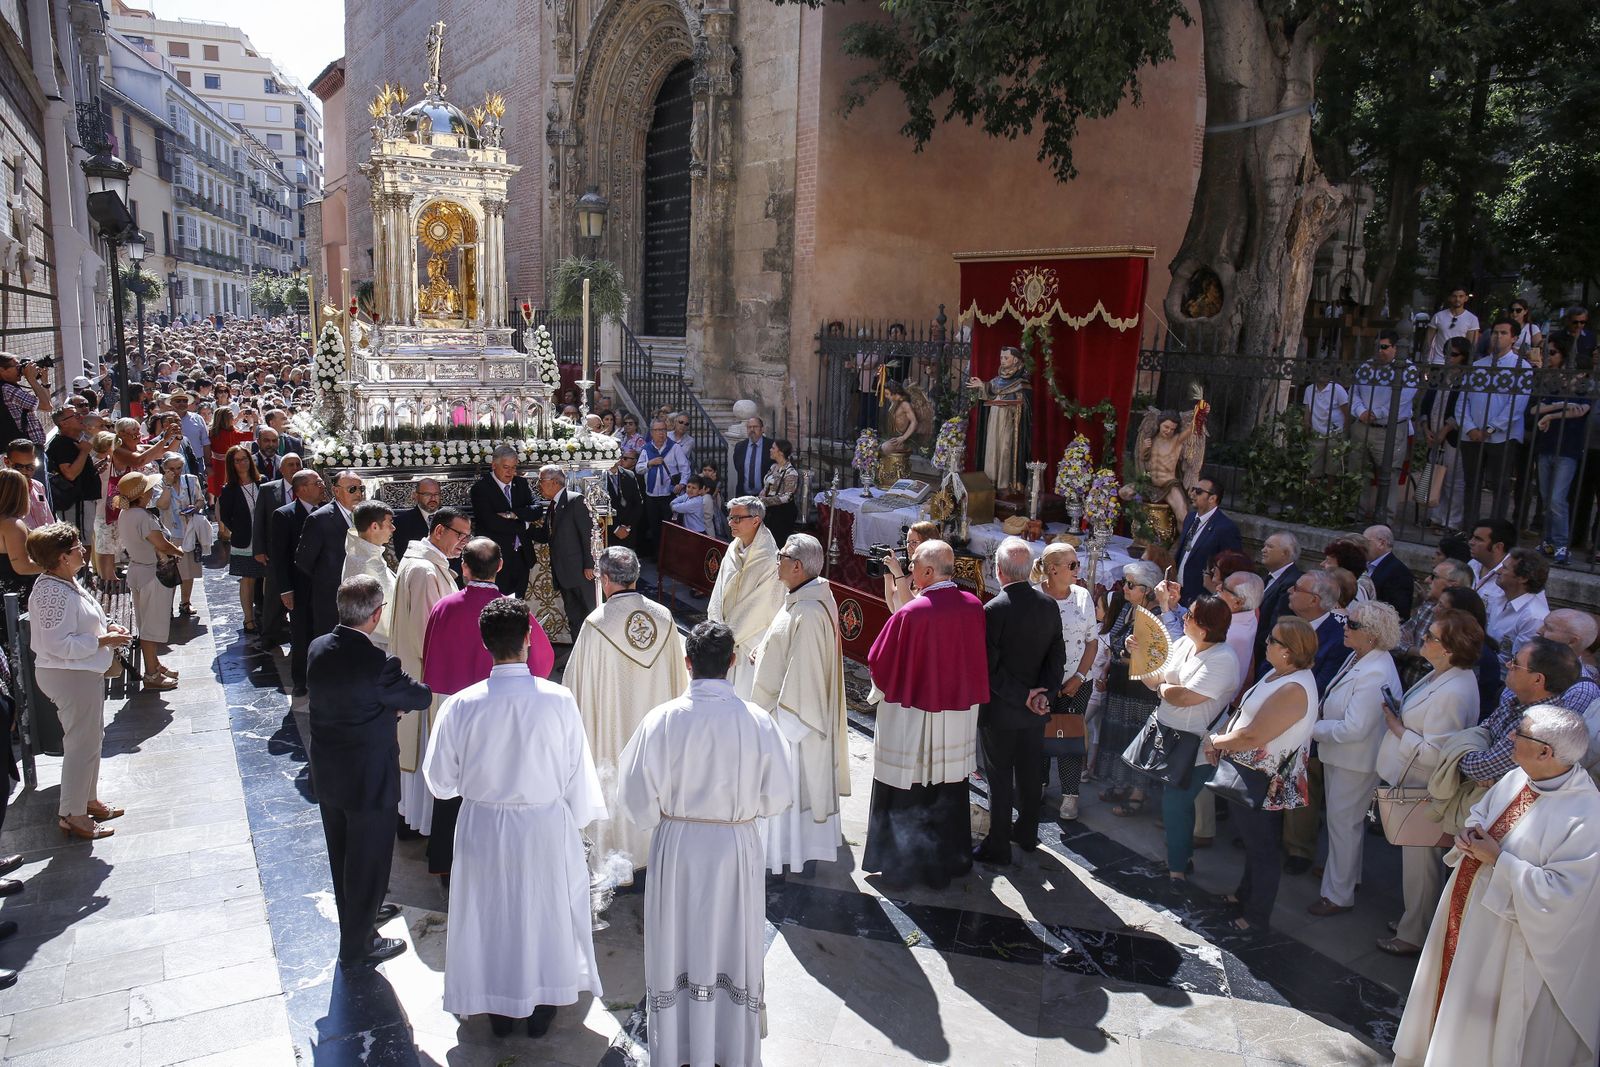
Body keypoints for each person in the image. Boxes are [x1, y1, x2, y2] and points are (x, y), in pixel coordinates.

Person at [422, 596, 604, 1038]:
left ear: (485, 644)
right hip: (543, 825)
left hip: (483, 826)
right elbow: (577, 772)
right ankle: (542, 1000)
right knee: (543, 911)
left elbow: (440, 783)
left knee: (491, 913)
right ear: (528, 639)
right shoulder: (558, 700)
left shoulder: (461, 705)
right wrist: (575, 816)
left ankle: (498, 1007)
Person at [617, 621, 794, 1067]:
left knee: (678, 940)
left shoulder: (661, 720)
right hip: (735, 847)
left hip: (678, 845)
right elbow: (778, 797)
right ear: (733, 662)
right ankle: (729, 1050)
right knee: (732, 941)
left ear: (687, 662)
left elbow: (635, 796)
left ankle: (678, 1047)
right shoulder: (758, 721)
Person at [1393, 704, 1599, 1067]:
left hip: (1509, 937)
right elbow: (1481, 814)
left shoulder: (1586, 816)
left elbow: (1565, 896)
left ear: (1545, 752)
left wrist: (1499, 860)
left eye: (1519, 733)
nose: (1509, 736)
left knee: (1482, 1025)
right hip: (1467, 910)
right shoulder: (1518, 776)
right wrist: (1468, 834)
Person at [306, 576, 431, 971]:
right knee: (369, 860)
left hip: (330, 772)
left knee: (343, 854)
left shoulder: (317, 647)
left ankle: (360, 915)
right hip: (369, 778)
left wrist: (381, 709)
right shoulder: (378, 663)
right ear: (376, 615)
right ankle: (359, 944)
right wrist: (389, 708)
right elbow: (420, 695)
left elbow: (344, 698)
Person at [420, 538, 555, 881]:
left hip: (457, 708)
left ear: (463, 567)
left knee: (454, 776)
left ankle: (448, 862)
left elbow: (431, 659)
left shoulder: (444, 607)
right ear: (501, 566)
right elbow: (542, 660)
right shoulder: (513, 611)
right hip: (507, 712)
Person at [862, 539, 988, 888]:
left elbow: (879, 663)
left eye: (913, 564)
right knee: (948, 786)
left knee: (911, 784)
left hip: (913, 716)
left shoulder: (912, 613)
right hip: (958, 717)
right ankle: (947, 863)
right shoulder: (974, 605)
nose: (909, 568)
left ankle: (902, 868)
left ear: (929, 571)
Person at [566, 545, 688, 884]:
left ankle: (615, 861)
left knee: (614, 780)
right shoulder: (664, 618)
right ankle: (656, 855)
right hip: (658, 738)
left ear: (605, 580)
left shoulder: (596, 624)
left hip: (611, 736)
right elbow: (681, 682)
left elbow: (574, 690)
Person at [1374, 608, 1484, 956]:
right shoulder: (1441, 674)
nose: (1423, 639)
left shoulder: (1455, 689)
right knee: (1416, 863)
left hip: (1424, 783)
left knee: (1421, 866)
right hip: (1413, 777)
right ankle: (1415, 919)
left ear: (1449, 648)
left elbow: (1439, 753)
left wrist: (1398, 730)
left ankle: (1414, 933)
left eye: (1430, 637)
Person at [1203, 616, 1319, 930]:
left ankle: (1256, 916)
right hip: (1248, 770)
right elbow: (1245, 713)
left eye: (1272, 640)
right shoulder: (1279, 674)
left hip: (1265, 779)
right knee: (1254, 842)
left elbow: (1255, 735)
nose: (1265, 643)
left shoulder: (1294, 688)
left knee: (1263, 847)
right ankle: (1243, 895)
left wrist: (1216, 740)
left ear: (1288, 651)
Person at [26, 523, 132, 840]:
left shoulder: (64, 581)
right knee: (80, 743)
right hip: (68, 676)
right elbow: (57, 644)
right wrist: (103, 642)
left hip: (80, 673)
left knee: (90, 738)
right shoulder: (50, 593)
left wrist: (108, 628)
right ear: (61, 557)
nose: (83, 549)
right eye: (75, 547)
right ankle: (73, 814)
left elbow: (87, 620)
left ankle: (87, 799)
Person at [751, 533, 848, 875]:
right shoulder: (801, 596)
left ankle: (785, 856)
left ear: (796, 566)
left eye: (780, 557)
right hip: (786, 717)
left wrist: (778, 725)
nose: (776, 561)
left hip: (794, 728)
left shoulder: (808, 612)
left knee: (788, 796)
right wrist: (763, 650)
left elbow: (803, 681)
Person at [1306, 600, 1403, 916]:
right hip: (1344, 756)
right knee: (1344, 823)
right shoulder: (1361, 656)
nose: (1345, 628)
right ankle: (1346, 875)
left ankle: (1338, 894)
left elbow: (1353, 728)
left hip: (1354, 759)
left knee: (1343, 823)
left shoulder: (1374, 671)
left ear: (1372, 635)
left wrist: (1311, 729)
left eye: (1353, 625)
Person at [973, 538, 1065, 866]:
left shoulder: (993, 610)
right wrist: (1043, 696)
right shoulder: (1048, 605)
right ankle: (1026, 833)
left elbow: (989, 668)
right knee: (1029, 773)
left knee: (999, 777)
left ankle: (998, 844)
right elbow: (1058, 660)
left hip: (1001, 711)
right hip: (1035, 710)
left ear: (998, 571)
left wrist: (1022, 696)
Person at [1132, 594, 1238, 881]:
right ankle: (1182, 858)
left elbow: (1186, 697)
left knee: (1175, 803)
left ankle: (1177, 869)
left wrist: (1164, 688)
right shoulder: (1183, 644)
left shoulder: (1224, 659)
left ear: (1203, 627)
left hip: (1198, 745)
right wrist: (1141, 657)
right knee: (1176, 802)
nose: (1183, 619)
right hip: (1170, 735)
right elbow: (1154, 678)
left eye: (1189, 616)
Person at [391, 507, 471, 838]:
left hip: (421, 671)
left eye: (467, 538)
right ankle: (422, 822)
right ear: (439, 531)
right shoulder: (425, 571)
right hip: (427, 674)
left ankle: (416, 818)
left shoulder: (426, 564)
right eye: (460, 535)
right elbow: (427, 633)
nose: (463, 544)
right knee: (427, 747)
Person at [1460, 639, 1595, 789]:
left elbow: (1475, 768)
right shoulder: (1515, 699)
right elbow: (1480, 731)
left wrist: (1458, 748)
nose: (1508, 665)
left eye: (1515, 663)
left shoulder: (1537, 728)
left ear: (1537, 679)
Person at [1093, 561, 1166, 815]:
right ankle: (1121, 783)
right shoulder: (1127, 609)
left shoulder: (1156, 617)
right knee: (1117, 737)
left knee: (1137, 739)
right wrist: (1107, 668)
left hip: (1141, 691)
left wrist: (1125, 657)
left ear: (1146, 590)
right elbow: (1114, 642)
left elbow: (1154, 657)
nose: (1125, 588)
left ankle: (1138, 793)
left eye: (1131, 585)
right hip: (1119, 684)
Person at [1035, 542, 1098, 820]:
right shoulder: (1035, 597)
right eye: (1071, 565)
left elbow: (1092, 642)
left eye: (1077, 564)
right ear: (1052, 569)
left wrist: (1079, 677)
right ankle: (1037, 784)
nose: (1077, 570)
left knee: (1069, 737)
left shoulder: (1083, 596)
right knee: (1038, 734)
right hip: (1042, 683)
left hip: (1078, 681)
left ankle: (1070, 795)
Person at [1457, 318, 1533, 532]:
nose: (1497, 337)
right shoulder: (1478, 366)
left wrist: (1490, 429)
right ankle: (1469, 528)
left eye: (1503, 333)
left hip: (1501, 437)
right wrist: (1470, 427)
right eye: (1495, 332)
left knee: (1500, 485)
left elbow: (1516, 406)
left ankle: (1496, 532)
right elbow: (1463, 400)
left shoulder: (1522, 368)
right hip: (1471, 436)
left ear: (1514, 338)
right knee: (1472, 484)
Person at [706, 495, 786, 699]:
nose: (730, 522)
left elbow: (762, 606)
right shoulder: (733, 548)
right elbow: (719, 591)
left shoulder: (769, 558)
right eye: (730, 517)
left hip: (749, 639)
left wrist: (729, 636)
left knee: (744, 698)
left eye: (737, 518)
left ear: (756, 520)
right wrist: (715, 627)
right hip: (723, 637)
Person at [114, 472, 184, 689]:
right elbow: (161, 544)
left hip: (137, 571)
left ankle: (154, 664)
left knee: (146, 624)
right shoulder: (143, 517)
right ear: (142, 495)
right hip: (151, 574)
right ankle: (152, 674)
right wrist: (178, 552)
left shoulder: (125, 515)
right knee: (150, 627)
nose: (153, 491)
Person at [1348, 332, 1418, 523]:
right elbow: (1353, 392)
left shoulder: (1408, 370)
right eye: (1378, 346)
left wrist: (1376, 413)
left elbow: (1403, 399)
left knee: (1389, 473)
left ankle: (1384, 518)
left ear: (1396, 348)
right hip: (1363, 425)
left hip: (1389, 428)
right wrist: (1361, 411)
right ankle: (1356, 512)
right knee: (1358, 470)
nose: (1380, 351)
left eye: (1385, 347)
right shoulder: (1366, 367)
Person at [272, 469, 324, 697]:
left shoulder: (326, 511)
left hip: (324, 585)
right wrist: (285, 589)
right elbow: (279, 556)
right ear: (302, 488)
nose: (323, 485)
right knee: (301, 634)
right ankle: (300, 680)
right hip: (299, 586)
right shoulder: (284, 515)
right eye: (318, 482)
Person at [296, 469, 364, 639]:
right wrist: (326, 578)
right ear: (336, 490)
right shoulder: (320, 519)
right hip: (331, 598)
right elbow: (304, 560)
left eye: (360, 489)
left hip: (361, 597)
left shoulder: (365, 515)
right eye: (352, 489)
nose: (358, 494)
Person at [469, 446, 539, 596]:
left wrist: (512, 514)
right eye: (506, 467)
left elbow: (537, 510)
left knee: (518, 603)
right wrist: (525, 524)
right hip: (495, 559)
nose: (511, 472)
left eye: (514, 468)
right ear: (494, 465)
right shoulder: (481, 488)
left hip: (521, 557)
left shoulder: (521, 484)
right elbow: (492, 523)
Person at [250, 452, 300, 639]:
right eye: (290, 465)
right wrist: (259, 550)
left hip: (299, 553)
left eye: (297, 464)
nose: (294, 468)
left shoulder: (307, 488)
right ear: (281, 469)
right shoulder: (268, 490)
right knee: (272, 596)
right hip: (274, 553)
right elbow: (259, 521)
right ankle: (270, 634)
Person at [217, 445, 265, 638]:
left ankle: (268, 614)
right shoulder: (229, 490)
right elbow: (226, 517)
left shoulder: (262, 482)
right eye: (237, 460)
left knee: (266, 578)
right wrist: (239, 529)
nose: (242, 463)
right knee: (247, 580)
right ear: (232, 464)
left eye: (244, 458)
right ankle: (248, 618)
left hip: (264, 538)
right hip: (245, 540)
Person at [1173, 473, 1242, 605]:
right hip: (1179, 592)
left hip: (1201, 598)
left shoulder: (1225, 528)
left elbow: (1232, 568)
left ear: (1212, 498)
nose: (1192, 494)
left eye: (1198, 491)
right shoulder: (1190, 518)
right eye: (1193, 489)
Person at [341, 501, 397, 651]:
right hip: (374, 644)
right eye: (389, 522)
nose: (393, 528)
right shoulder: (363, 562)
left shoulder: (370, 552)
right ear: (374, 526)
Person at [1487, 547, 1550, 667]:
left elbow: (1519, 665)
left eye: (1504, 568)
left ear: (1523, 578)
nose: (1498, 571)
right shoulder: (1499, 596)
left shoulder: (1533, 617)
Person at [637, 419, 690, 557]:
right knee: (654, 527)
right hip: (651, 495)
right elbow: (638, 469)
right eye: (658, 430)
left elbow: (685, 468)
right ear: (652, 432)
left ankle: (669, 557)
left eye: (663, 430)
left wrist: (682, 484)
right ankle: (657, 556)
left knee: (669, 527)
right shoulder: (647, 449)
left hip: (669, 494)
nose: (661, 433)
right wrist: (650, 463)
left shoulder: (674, 447)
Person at [46, 407, 98, 545]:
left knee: (86, 541)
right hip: (75, 502)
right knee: (79, 543)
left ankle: (83, 567)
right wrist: (84, 452)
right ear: (64, 423)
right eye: (75, 416)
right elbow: (70, 474)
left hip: (83, 500)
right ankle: (81, 568)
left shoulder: (74, 442)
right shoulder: (62, 443)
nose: (81, 417)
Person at [1255, 531, 1302, 669]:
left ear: (1285, 553)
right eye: (1264, 546)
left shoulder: (1291, 582)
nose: (1263, 550)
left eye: (1269, 547)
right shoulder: (1269, 577)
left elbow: (1276, 623)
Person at [880, 520, 938, 612]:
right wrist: (888, 573)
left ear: (927, 544)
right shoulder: (911, 572)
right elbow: (893, 608)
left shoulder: (933, 574)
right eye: (907, 542)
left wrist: (898, 573)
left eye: (914, 542)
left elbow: (912, 608)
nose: (908, 547)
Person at [1362, 525, 1413, 620]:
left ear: (1381, 543)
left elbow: (1397, 613)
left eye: (1366, 542)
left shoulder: (1399, 573)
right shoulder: (1365, 564)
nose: (1362, 547)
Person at [1422, 285, 1480, 365]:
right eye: (1454, 296)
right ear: (1449, 298)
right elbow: (1428, 341)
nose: (1457, 299)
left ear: (1466, 298)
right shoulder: (1438, 316)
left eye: (1461, 296)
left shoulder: (1472, 319)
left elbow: (1470, 344)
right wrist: (1426, 361)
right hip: (1438, 361)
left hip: (1458, 363)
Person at [759, 438, 801, 546]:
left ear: (781, 452)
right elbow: (767, 484)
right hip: (769, 512)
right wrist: (763, 491)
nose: (770, 450)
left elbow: (787, 497)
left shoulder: (791, 472)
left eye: (773, 448)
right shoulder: (773, 467)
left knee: (777, 543)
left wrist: (765, 501)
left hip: (782, 514)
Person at [6, 438, 55, 529]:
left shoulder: (38, 486)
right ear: (7, 462)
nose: (24, 471)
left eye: (30, 467)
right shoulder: (3, 490)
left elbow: (50, 521)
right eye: (18, 467)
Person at [206, 406, 251, 501]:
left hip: (223, 464)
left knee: (222, 492)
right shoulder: (217, 433)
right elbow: (252, 436)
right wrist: (254, 421)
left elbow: (251, 436)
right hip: (221, 466)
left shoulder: (213, 432)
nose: (233, 418)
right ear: (224, 419)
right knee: (222, 491)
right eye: (231, 416)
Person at [392, 477, 441, 559]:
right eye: (427, 494)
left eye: (436, 494)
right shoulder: (402, 521)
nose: (433, 498)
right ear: (416, 496)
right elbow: (403, 554)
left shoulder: (452, 518)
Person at [605, 451, 643, 549]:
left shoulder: (630, 475)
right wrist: (615, 529)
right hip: (608, 532)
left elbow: (638, 504)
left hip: (627, 531)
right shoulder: (599, 477)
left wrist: (628, 527)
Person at [734, 415, 773, 497]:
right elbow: (738, 467)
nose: (752, 430)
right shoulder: (739, 447)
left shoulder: (771, 446)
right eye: (749, 427)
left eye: (755, 427)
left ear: (762, 429)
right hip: (743, 496)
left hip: (765, 496)